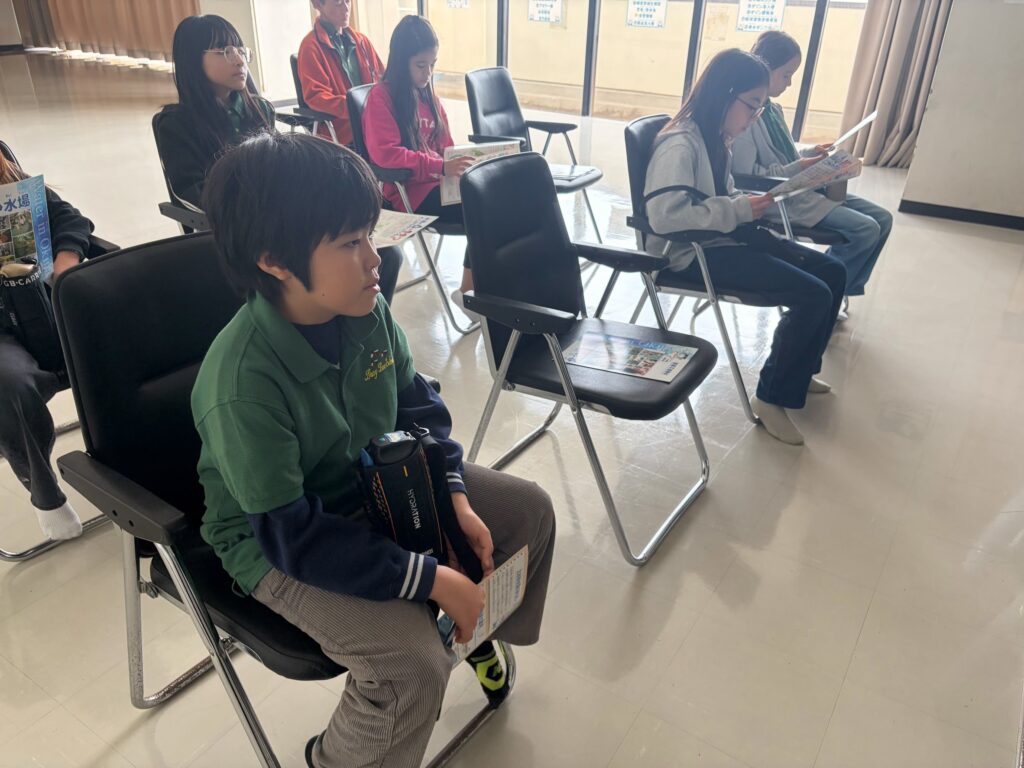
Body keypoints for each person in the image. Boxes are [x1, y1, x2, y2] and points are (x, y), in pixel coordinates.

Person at [194, 131, 555, 768]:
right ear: (274, 261)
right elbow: (294, 536)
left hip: (377, 482)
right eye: (349, 243)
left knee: (529, 513)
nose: (374, 259)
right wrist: (432, 577)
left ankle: (471, 630)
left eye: (371, 234)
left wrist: (455, 496)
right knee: (410, 665)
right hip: (278, 541)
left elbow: (418, 410)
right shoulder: (241, 383)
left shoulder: (363, 309)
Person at [644, 49, 847, 445]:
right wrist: (737, 209)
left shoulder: (716, 137)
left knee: (832, 272)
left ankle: (800, 369)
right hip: (691, 254)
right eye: (751, 105)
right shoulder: (680, 144)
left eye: (759, 107)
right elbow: (665, 216)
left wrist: (745, 205)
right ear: (724, 94)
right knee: (812, 293)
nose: (754, 116)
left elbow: (721, 195)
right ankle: (772, 397)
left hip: (724, 237)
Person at [154, 15, 400, 301]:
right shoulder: (177, 123)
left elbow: (282, 167)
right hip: (243, 234)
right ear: (192, 60)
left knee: (386, 256)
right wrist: (262, 214)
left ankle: (356, 325)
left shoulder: (259, 109)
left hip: (284, 222)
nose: (239, 60)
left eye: (241, 50)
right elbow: (189, 193)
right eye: (225, 52)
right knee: (337, 266)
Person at [732, 30, 892, 303]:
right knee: (865, 229)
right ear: (765, 68)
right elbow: (747, 178)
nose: (790, 83)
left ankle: (834, 289)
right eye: (786, 75)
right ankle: (825, 292)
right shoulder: (746, 117)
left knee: (883, 219)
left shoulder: (772, 111)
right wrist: (802, 165)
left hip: (801, 188)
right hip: (780, 199)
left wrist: (810, 154)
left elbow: (784, 154)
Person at [0, 145, 93, 540]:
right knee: (11, 386)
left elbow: (70, 219)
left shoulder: (11, 182)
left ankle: (141, 456)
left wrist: (64, 263)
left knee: (128, 330)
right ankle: (46, 496)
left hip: (42, 310)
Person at [362, 15, 476, 307]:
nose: (428, 73)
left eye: (433, 64)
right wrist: (440, 166)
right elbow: (387, 155)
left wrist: (461, 165)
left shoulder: (431, 100)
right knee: (483, 209)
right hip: (409, 194)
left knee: (494, 199)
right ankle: (468, 293)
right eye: (421, 65)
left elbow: (446, 147)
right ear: (401, 62)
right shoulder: (381, 97)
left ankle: (482, 290)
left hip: (440, 185)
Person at [297, 0, 385, 145]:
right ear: (318, 4)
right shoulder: (310, 47)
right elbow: (317, 97)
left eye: (348, 1)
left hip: (375, 126)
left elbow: (383, 80)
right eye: (338, 2)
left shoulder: (362, 41)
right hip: (344, 133)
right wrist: (355, 106)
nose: (346, 7)